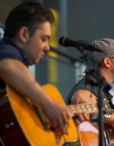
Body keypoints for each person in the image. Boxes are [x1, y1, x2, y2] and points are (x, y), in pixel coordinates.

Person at [0, 2, 69, 144]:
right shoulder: (7, 50)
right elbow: (7, 66)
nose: (47, 48)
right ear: (24, 34)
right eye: (43, 39)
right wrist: (48, 105)